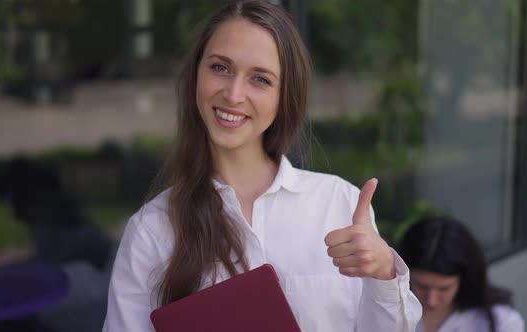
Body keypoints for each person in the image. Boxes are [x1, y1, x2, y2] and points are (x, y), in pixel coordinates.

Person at [102, 1, 422, 331]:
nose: (234, 94)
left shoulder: (338, 204)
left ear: (286, 96)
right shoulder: (152, 230)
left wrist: (384, 272)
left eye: (260, 79)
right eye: (220, 68)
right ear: (196, 73)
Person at [397, 215, 524, 332]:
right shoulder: (388, 310)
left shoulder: (501, 322)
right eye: (422, 286)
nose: (432, 301)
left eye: (444, 289)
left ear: (464, 279)